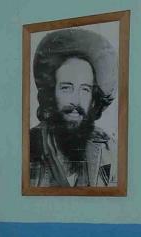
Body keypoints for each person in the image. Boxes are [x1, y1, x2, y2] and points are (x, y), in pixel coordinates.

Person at [29, 28, 117, 187]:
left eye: (85, 89)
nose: (76, 101)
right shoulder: (29, 147)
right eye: (66, 88)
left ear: (93, 99)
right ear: (51, 94)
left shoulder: (108, 149)